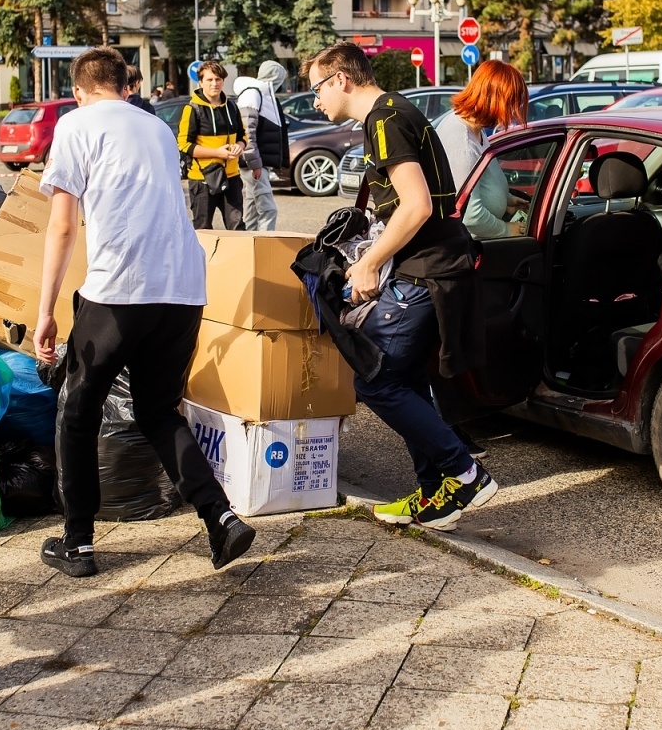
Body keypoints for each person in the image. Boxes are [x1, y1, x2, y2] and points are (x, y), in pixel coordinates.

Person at [33, 48, 254, 578]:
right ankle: (220, 516)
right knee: (158, 411)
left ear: (81, 90)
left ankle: (78, 542)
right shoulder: (153, 126)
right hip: (182, 288)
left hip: (119, 291)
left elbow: (63, 226)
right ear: (126, 87)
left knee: (77, 412)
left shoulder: (75, 124)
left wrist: (46, 311)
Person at [303, 41, 495, 530]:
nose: (316, 101)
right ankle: (435, 493)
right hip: (432, 265)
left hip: (425, 268)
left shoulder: (386, 119)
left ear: (341, 79)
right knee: (406, 379)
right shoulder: (391, 114)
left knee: (375, 378)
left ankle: (465, 473)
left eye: (317, 89)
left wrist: (369, 262)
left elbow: (417, 206)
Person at [434, 60, 530, 240]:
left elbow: (481, 181)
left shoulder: (474, 130)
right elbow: (470, 215)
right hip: (470, 247)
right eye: (510, 104)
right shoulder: (462, 143)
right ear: (495, 99)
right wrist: (507, 230)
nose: (511, 113)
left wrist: (506, 200)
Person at [176, 62, 246, 230]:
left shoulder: (231, 106)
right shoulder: (192, 109)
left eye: (218, 79)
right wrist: (217, 153)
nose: (214, 83)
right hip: (202, 179)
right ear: (200, 82)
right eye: (209, 80)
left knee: (237, 228)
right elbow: (184, 145)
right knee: (203, 229)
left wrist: (240, 145)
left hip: (231, 177)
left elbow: (243, 135)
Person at [233, 60, 291, 231]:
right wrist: (255, 163)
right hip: (255, 164)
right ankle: (266, 247)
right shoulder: (254, 94)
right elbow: (246, 133)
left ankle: (249, 247)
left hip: (256, 163)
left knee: (251, 210)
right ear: (275, 76)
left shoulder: (261, 94)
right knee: (267, 209)